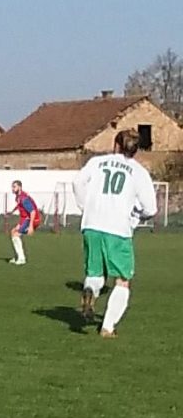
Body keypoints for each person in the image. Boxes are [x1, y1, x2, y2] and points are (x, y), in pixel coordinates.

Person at [72, 129, 157, 338]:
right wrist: (137, 216)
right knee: (122, 279)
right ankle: (107, 327)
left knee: (95, 272)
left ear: (116, 145)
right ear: (135, 149)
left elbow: (77, 183)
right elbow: (151, 209)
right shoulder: (138, 171)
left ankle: (91, 291)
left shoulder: (97, 162)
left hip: (91, 225)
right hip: (118, 229)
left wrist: (86, 206)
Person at [8, 181, 41, 265]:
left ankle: (22, 259)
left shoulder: (24, 198)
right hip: (24, 219)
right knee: (13, 232)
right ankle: (18, 256)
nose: (12, 188)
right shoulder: (19, 197)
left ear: (19, 187)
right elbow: (19, 205)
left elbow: (32, 211)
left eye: (14, 187)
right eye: (12, 187)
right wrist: (12, 212)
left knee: (16, 234)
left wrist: (31, 226)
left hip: (31, 219)